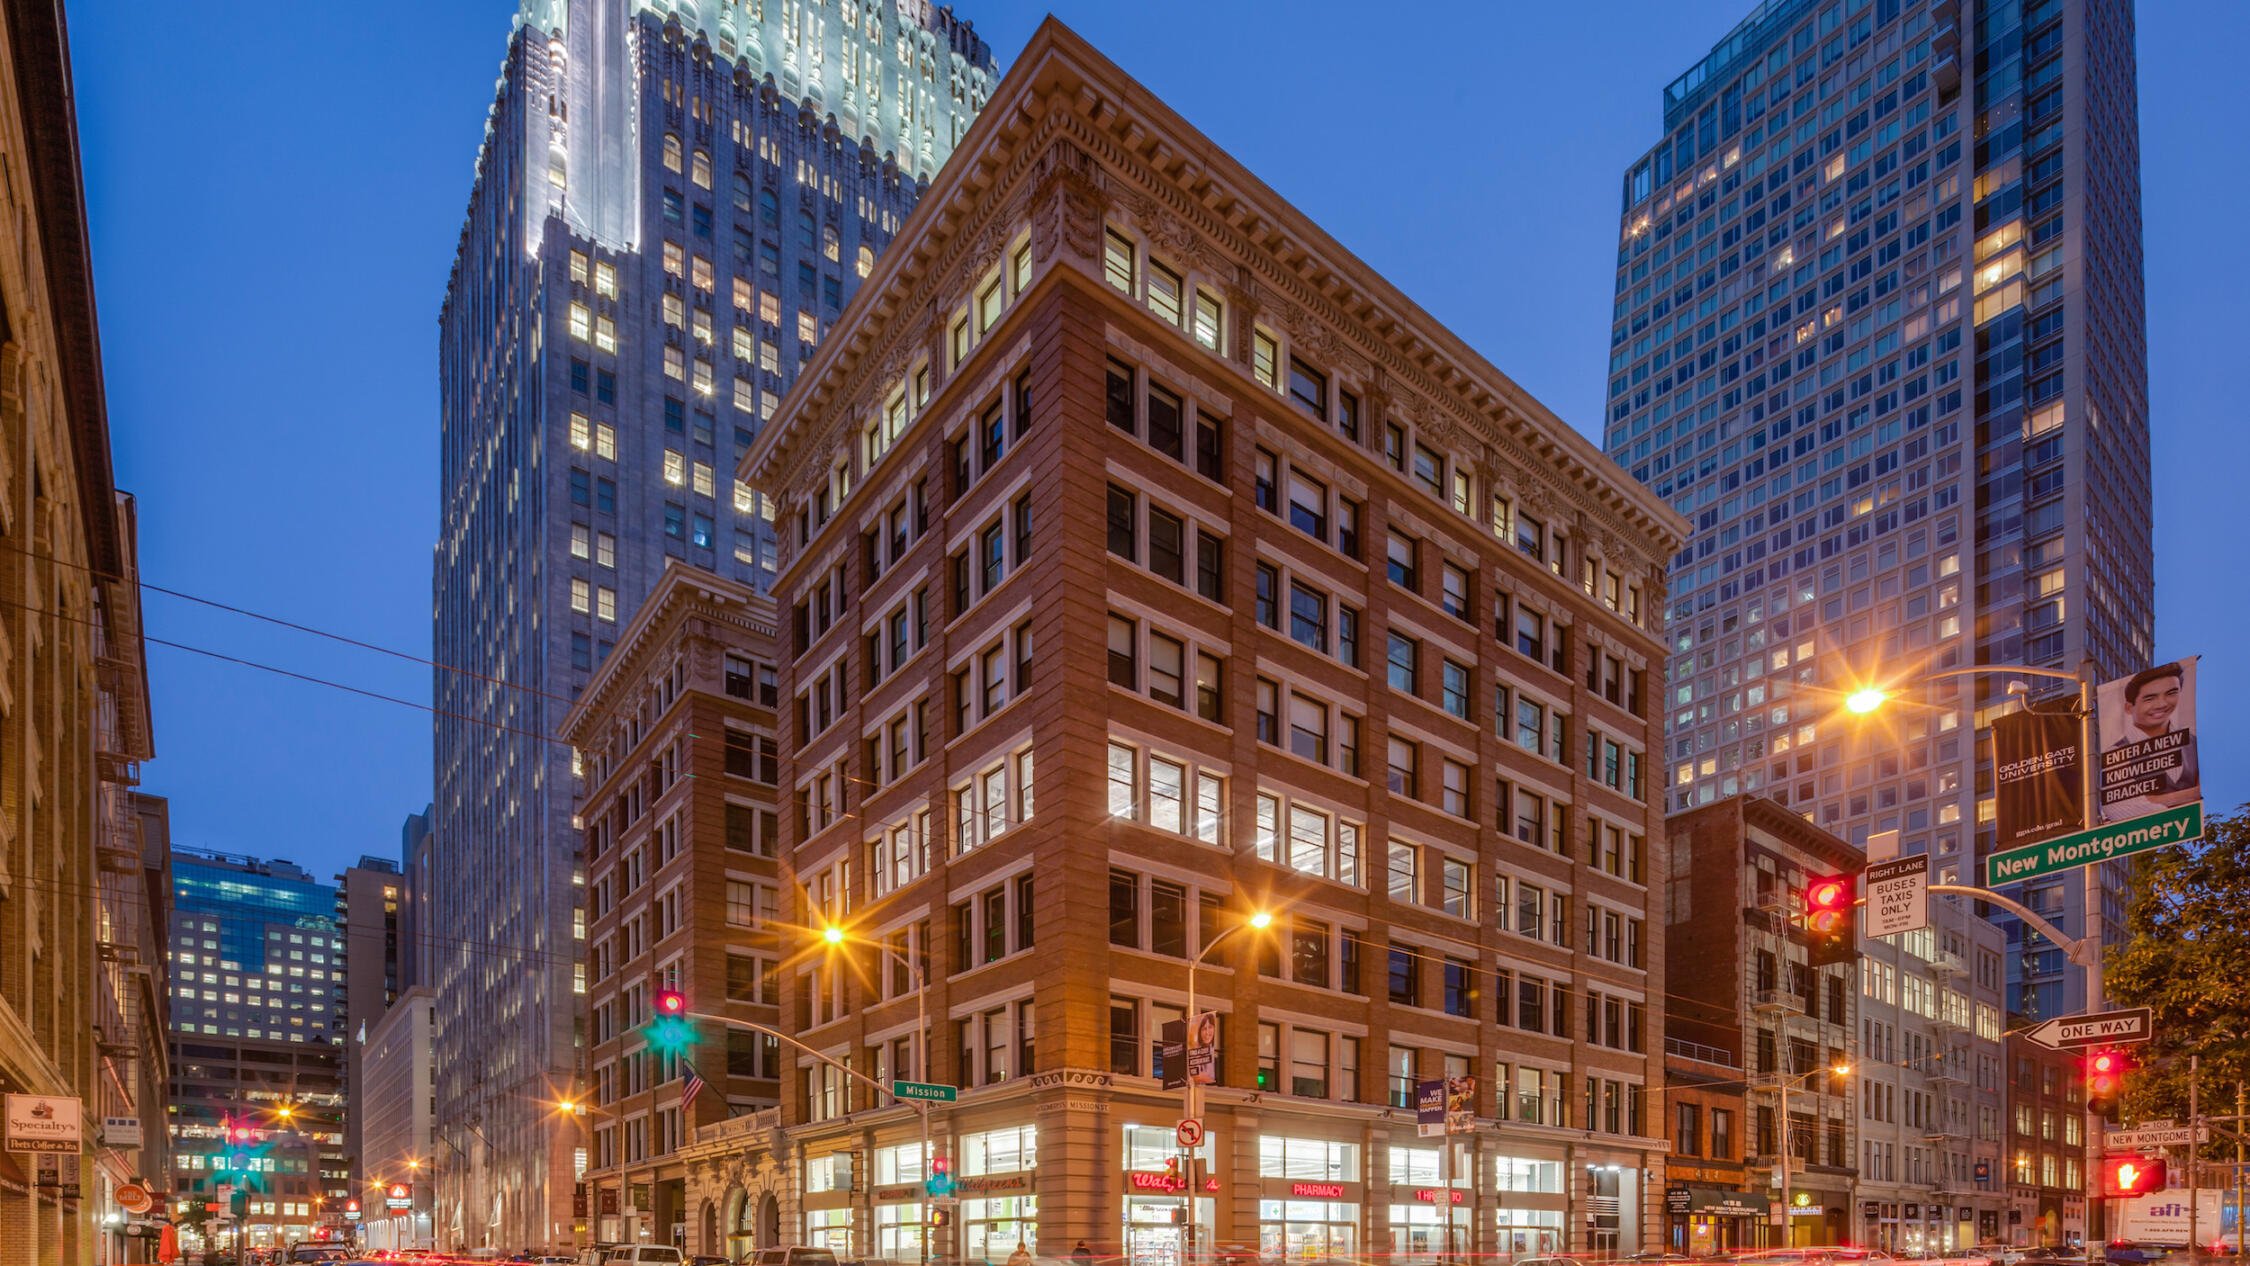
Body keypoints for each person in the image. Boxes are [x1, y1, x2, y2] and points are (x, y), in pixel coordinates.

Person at [2106, 661, 2199, 811]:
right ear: (2129, 708)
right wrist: (2191, 794)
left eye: (2171, 693)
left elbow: (2200, 792)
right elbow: (2125, 808)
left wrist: (2157, 800)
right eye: (2150, 698)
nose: (2162, 704)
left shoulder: (2191, 742)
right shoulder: (2115, 752)